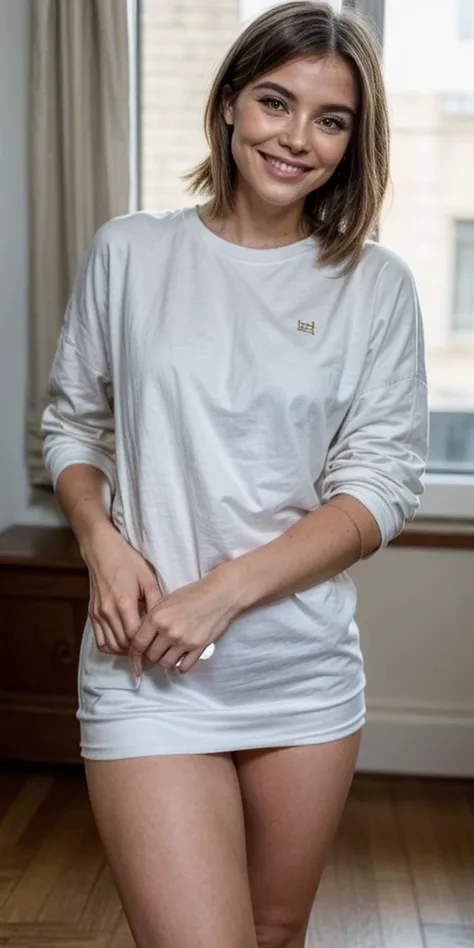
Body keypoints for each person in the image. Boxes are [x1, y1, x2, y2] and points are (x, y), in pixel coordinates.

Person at [41, 2, 428, 946]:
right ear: (228, 106)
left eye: (330, 119)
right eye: (274, 102)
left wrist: (220, 596)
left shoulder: (376, 286)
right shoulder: (131, 252)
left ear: (353, 140)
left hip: (300, 671)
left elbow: (381, 485)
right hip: (145, 666)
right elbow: (72, 424)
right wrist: (100, 544)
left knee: (274, 932)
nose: (296, 138)